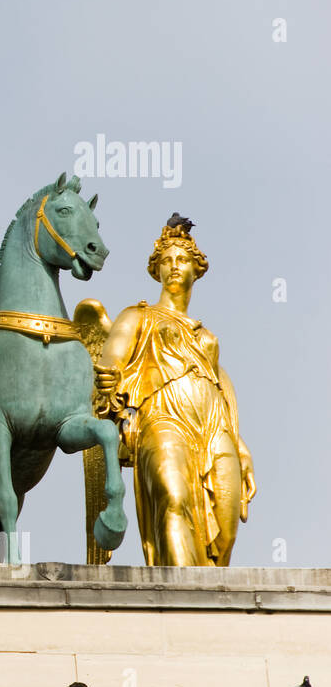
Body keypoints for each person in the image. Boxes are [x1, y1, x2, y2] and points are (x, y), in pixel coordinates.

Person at [94, 214, 255, 565]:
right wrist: (108, 383)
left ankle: (210, 604)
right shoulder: (137, 316)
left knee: (224, 533)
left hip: (214, 428)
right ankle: (185, 605)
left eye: (182, 259)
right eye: (166, 260)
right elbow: (109, 364)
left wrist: (241, 447)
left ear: (197, 269)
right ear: (156, 270)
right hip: (163, 419)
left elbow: (218, 387)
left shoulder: (204, 335)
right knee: (172, 498)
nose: (174, 266)